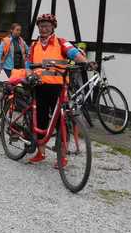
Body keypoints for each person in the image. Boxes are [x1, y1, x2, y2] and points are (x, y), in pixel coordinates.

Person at [26, 13, 88, 167]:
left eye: (47, 26)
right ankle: (40, 153)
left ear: (53, 27)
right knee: (41, 119)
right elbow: (28, 63)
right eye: (41, 26)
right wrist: (29, 75)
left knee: (61, 122)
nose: (43, 29)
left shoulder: (61, 43)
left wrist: (86, 62)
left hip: (58, 88)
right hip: (39, 87)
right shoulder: (34, 45)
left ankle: (62, 157)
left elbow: (74, 53)